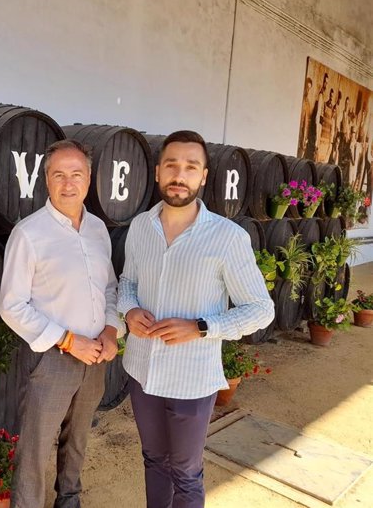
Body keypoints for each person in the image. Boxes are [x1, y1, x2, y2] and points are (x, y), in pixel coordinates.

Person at [118, 130, 274, 508]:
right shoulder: (141, 227)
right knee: (153, 460)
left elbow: (261, 309)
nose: (179, 174)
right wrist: (130, 309)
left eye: (191, 167)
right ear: (158, 172)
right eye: (172, 165)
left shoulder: (227, 237)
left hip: (192, 379)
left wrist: (202, 327)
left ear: (203, 177)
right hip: (143, 370)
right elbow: (127, 283)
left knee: (186, 472)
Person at [0, 139, 124, 508]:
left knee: (78, 439)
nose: (68, 183)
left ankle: (68, 500)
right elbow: (11, 305)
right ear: (47, 181)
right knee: (37, 447)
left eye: (76, 174)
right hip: (52, 358)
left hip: (97, 354)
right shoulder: (29, 233)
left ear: (89, 179)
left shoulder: (98, 229)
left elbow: (109, 286)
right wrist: (68, 341)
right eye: (59, 175)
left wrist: (111, 329)